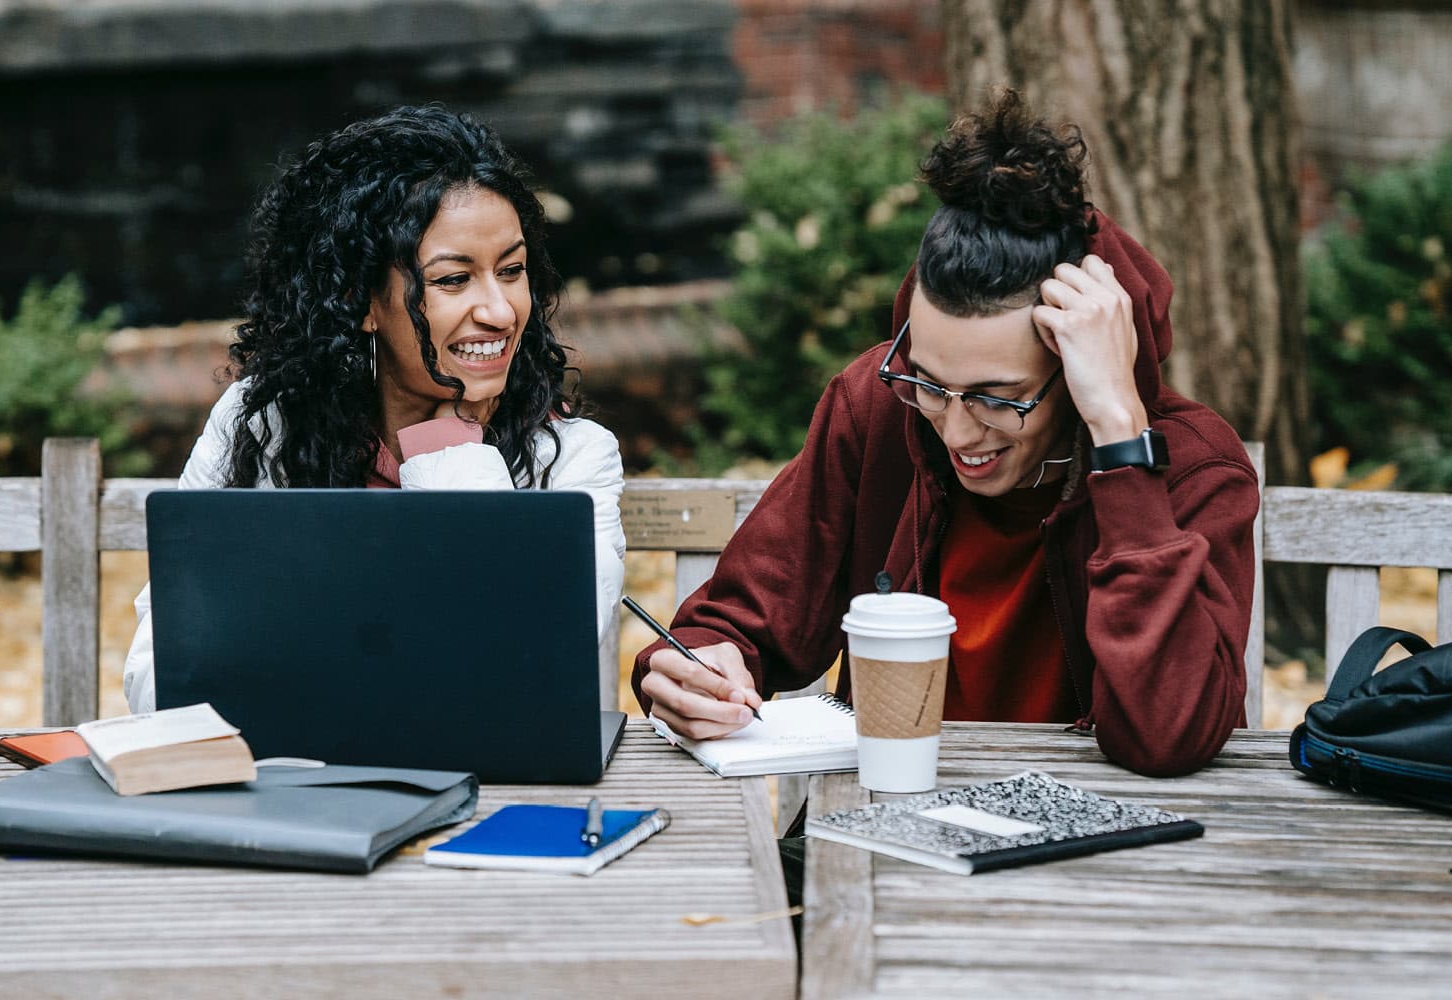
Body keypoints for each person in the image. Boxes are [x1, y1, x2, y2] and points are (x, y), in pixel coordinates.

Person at [633, 90, 1257, 777]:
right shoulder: (877, 406)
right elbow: (744, 617)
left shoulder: (1193, 469)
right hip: (893, 823)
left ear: (1078, 364)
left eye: (999, 399)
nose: (957, 430)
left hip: (1106, 860)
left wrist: (1119, 436)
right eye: (929, 382)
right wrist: (694, 666)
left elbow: (1170, 735)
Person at [123, 106, 626, 714]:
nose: (500, 310)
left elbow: (524, 671)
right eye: (452, 280)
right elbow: (161, 674)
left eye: (512, 271)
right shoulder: (262, 427)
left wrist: (452, 454)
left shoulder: (572, 460)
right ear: (361, 301)